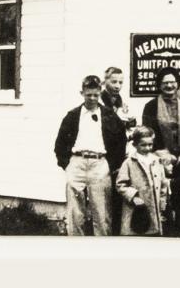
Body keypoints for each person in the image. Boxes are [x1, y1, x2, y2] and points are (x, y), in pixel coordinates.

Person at [52, 75, 128, 236]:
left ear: (100, 93)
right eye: (88, 95)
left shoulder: (109, 115)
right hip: (77, 164)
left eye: (95, 95)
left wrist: (110, 165)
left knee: (101, 212)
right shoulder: (72, 115)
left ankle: (101, 249)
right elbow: (60, 145)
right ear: (82, 93)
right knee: (75, 213)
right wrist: (68, 164)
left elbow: (121, 142)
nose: (92, 98)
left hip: (100, 165)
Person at [115, 126, 168, 236]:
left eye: (150, 145)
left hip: (154, 209)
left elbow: (163, 184)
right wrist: (133, 197)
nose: (147, 148)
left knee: (152, 234)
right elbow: (120, 184)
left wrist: (162, 203)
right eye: (143, 145)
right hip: (135, 209)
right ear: (135, 145)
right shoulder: (129, 163)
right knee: (136, 234)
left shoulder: (156, 161)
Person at [142, 69, 180, 157]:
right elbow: (147, 134)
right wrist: (162, 153)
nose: (169, 86)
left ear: (178, 84)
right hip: (158, 155)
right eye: (165, 83)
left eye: (172, 82)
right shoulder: (150, 107)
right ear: (159, 85)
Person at [100, 66, 136, 133]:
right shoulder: (98, 100)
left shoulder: (124, 102)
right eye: (114, 82)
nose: (117, 86)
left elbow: (132, 123)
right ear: (105, 82)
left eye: (120, 82)